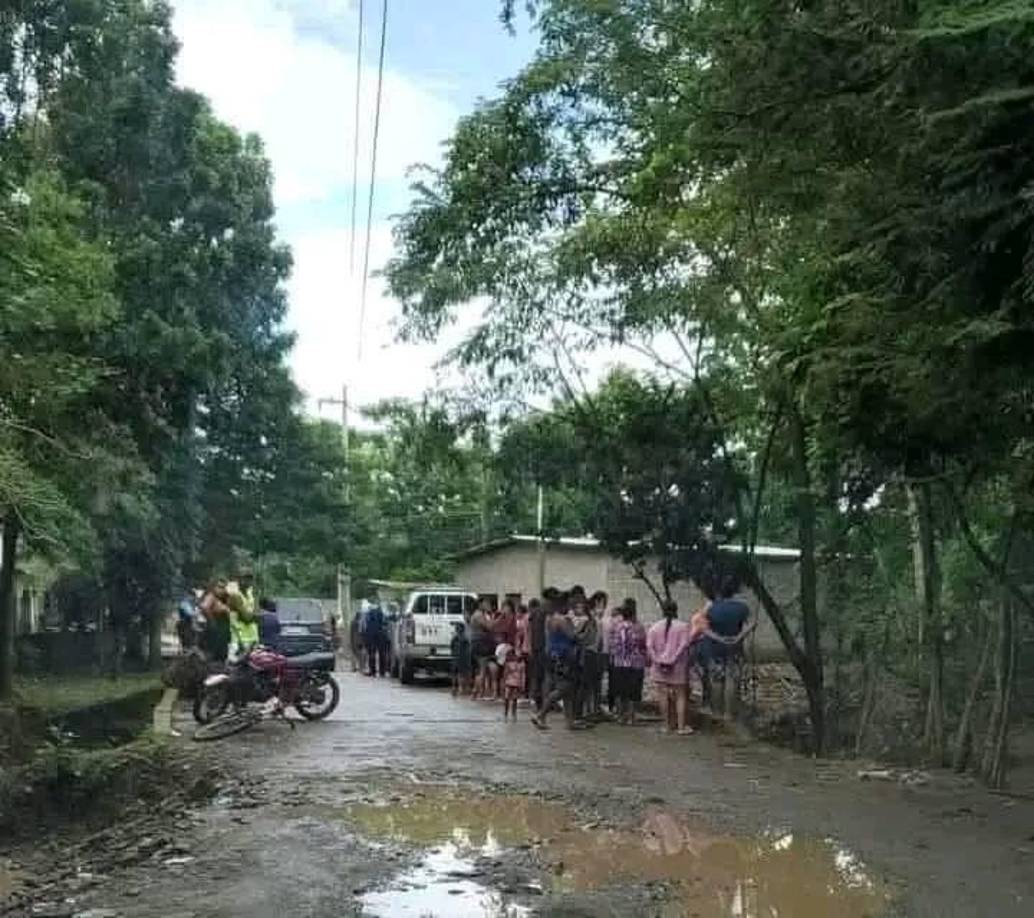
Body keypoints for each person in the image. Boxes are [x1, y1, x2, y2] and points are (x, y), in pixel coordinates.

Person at [531, 594, 582, 730]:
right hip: (563, 656)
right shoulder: (562, 620)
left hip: (554, 655)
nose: (570, 608)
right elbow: (573, 636)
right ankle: (541, 714)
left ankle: (569, 721)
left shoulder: (550, 619)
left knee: (568, 691)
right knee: (563, 688)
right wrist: (579, 627)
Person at [646, 600, 694, 735]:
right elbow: (684, 645)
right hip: (678, 666)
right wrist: (673, 659)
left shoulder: (654, 627)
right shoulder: (683, 626)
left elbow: (649, 647)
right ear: (676, 610)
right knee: (680, 696)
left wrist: (658, 661)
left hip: (659, 667)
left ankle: (666, 726)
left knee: (662, 695)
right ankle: (681, 726)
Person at [609, 598, 647, 724]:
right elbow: (643, 644)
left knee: (620, 691)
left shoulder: (616, 626)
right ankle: (631, 717)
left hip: (619, 662)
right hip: (635, 663)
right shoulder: (638, 627)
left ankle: (621, 716)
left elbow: (612, 644)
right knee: (633, 692)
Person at [569, 594, 598, 720]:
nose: (578, 610)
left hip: (584, 655)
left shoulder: (585, 620)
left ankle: (578, 714)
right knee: (582, 686)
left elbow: (577, 636)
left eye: (580, 607)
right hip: (585, 654)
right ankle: (580, 713)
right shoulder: (587, 620)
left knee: (581, 685)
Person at [469, 598, 497, 700]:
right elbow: (489, 626)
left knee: (483, 669)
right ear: (480, 604)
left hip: (480, 642)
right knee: (482, 669)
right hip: (480, 643)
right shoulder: (479, 615)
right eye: (486, 603)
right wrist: (494, 617)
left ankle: (476, 692)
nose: (488, 605)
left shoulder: (480, 615)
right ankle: (475, 692)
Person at [199, 580, 231, 663]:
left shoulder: (223, 599)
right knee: (213, 656)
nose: (222, 590)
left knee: (221, 657)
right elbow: (204, 607)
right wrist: (212, 620)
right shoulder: (211, 597)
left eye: (224, 587)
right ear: (213, 588)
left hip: (222, 633)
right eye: (220, 587)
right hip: (216, 631)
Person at [526, 597, 548, 711]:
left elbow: (529, 633)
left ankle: (538, 701)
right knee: (543, 676)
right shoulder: (542, 614)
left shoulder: (533, 616)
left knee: (537, 676)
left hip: (536, 649)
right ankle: (542, 701)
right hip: (542, 648)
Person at [364, 601, 389, 677]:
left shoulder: (368, 613)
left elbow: (365, 626)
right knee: (382, 653)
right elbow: (385, 624)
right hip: (381, 634)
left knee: (372, 653)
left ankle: (373, 671)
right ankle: (382, 672)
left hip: (371, 635)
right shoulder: (382, 613)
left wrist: (365, 636)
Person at [502, 644, 526, 721]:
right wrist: (523, 684)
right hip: (514, 682)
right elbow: (523, 675)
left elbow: (505, 674)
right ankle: (512, 714)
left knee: (509, 698)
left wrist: (503, 682)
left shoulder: (510, 664)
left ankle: (508, 714)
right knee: (512, 698)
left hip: (511, 682)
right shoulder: (521, 664)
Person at [450, 621, 473, 696]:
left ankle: (457, 688)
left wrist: (453, 654)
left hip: (458, 657)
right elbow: (469, 647)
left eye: (457, 627)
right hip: (462, 657)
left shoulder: (456, 637)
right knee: (461, 673)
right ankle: (461, 688)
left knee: (457, 673)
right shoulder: (464, 637)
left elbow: (452, 647)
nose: (456, 628)